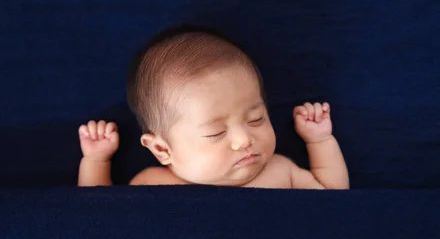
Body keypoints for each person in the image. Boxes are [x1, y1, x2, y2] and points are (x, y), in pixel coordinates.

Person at [78, 26, 349, 189]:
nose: (244, 140)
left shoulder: (280, 172)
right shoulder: (153, 183)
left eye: (256, 119)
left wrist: (320, 141)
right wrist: (96, 162)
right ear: (162, 149)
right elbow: (99, 216)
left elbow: (333, 200)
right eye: (215, 133)